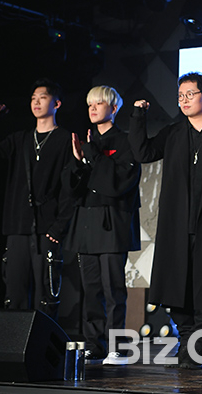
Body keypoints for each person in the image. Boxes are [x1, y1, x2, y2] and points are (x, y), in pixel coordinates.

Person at [128, 72, 202, 369]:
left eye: (190, 94)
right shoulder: (173, 132)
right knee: (176, 288)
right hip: (176, 223)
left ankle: (197, 348)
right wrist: (138, 116)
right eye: (180, 96)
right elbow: (142, 152)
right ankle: (189, 343)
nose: (184, 100)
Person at [0, 78, 73, 319]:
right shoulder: (20, 139)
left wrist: (59, 226)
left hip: (47, 228)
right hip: (18, 226)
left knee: (46, 296)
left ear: (57, 103)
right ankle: (15, 341)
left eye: (43, 97)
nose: (36, 102)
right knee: (15, 294)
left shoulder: (65, 139)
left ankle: (44, 340)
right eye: (33, 98)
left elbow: (70, 188)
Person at [63, 86, 141, 365]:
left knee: (113, 290)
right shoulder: (86, 141)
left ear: (114, 108)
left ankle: (117, 346)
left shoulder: (126, 141)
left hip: (113, 223)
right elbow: (72, 190)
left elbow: (119, 182)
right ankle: (94, 344)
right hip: (87, 223)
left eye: (99, 103)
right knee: (91, 289)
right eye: (90, 104)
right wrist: (77, 162)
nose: (93, 108)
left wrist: (93, 156)